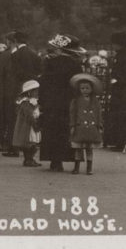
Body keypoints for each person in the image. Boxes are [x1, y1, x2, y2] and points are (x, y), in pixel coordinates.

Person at [39, 34, 85, 172]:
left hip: (51, 102)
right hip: (68, 103)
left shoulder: (49, 63)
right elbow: (79, 85)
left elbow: (44, 83)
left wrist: (42, 101)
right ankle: (67, 158)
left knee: (51, 131)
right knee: (65, 131)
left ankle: (54, 161)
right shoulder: (76, 65)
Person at [104, 32, 126, 149]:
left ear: (120, 44)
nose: (113, 46)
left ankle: (121, 142)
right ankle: (121, 142)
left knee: (121, 116)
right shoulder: (123, 56)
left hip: (121, 90)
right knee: (120, 115)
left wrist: (117, 81)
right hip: (121, 89)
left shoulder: (123, 57)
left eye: (115, 44)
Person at [69, 73, 103, 175]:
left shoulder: (95, 101)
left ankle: (89, 168)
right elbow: (72, 114)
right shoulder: (76, 101)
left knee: (89, 149)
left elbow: (99, 114)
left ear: (91, 89)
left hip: (91, 128)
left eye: (87, 88)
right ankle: (76, 167)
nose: (85, 90)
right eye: (82, 88)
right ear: (79, 89)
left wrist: (99, 125)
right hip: (80, 127)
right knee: (78, 149)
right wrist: (72, 125)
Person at [12, 80, 42, 168]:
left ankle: (31, 159)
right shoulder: (26, 103)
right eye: (35, 91)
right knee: (29, 143)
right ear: (29, 92)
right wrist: (34, 123)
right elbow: (28, 115)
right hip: (28, 125)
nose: (37, 93)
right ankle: (28, 159)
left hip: (34, 123)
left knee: (34, 143)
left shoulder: (34, 101)